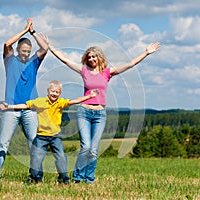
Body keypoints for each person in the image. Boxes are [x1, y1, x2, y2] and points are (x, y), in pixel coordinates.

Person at [48, 41, 160, 183]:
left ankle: (89, 179)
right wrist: (51, 47)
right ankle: (78, 177)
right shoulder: (84, 71)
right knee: (86, 147)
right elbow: (65, 59)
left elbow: (130, 64)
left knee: (93, 150)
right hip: (84, 112)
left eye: (94, 57)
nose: (91, 59)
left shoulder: (107, 72)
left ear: (99, 58)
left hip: (100, 114)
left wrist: (146, 53)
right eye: (89, 57)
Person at [0, 80, 99, 184]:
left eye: (57, 92)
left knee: (61, 157)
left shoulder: (60, 102)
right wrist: (9, 107)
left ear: (60, 93)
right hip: (41, 136)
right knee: (36, 158)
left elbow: (75, 101)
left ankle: (63, 178)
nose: (54, 94)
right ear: (48, 91)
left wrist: (89, 96)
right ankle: (34, 178)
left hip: (56, 136)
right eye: (52, 91)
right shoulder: (40, 102)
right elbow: (25, 106)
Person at [0, 18, 48, 180]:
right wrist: (24, 30)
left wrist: (33, 32)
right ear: (18, 50)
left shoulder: (34, 62)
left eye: (28, 51)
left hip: (30, 109)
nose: (26, 54)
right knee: (3, 143)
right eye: (23, 50)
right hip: (11, 109)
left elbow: (45, 48)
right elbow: (7, 44)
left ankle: (36, 176)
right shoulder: (10, 61)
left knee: (34, 144)